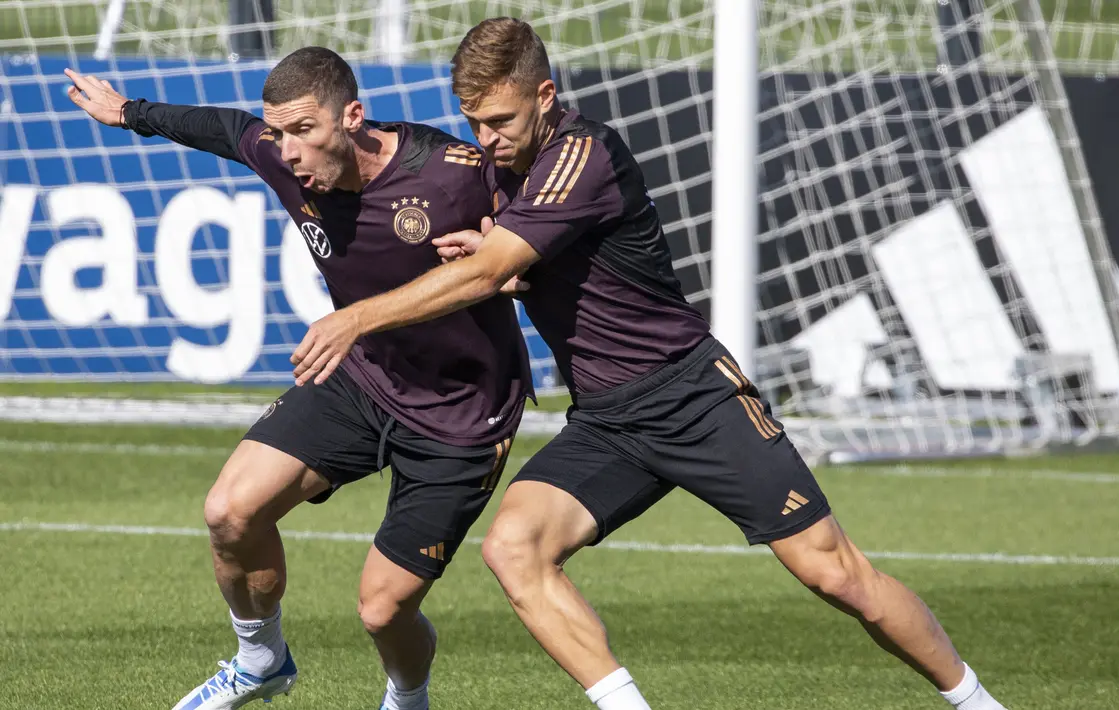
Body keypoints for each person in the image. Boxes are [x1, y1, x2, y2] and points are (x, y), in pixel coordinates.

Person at [289, 18, 1008, 710]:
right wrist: (500, 263)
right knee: (514, 548)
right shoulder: (503, 166)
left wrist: (360, 315)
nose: (486, 140)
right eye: (473, 122)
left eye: (500, 121)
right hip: (608, 421)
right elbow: (527, 268)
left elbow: (492, 274)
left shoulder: (583, 154)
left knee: (833, 573)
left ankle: (977, 702)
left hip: (692, 397)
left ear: (545, 97)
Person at [64, 46, 530, 710]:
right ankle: (261, 661)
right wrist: (130, 112)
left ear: (352, 118)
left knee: (381, 612)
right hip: (364, 378)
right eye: (277, 132)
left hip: (461, 413)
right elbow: (226, 129)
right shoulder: (282, 155)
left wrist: (513, 266)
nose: (286, 150)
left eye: (303, 131)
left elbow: (546, 243)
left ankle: (407, 699)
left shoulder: (455, 173)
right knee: (229, 512)